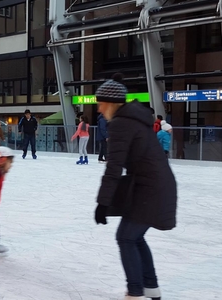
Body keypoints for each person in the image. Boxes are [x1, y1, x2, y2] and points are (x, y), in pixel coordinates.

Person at [94, 73, 177, 300]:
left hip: (150, 188)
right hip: (154, 185)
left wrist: (102, 202)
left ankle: (135, 292)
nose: (99, 109)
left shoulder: (121, 123)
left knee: (126, 237)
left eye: (100, 103)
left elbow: (114, 167)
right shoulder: (134, 119)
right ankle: (150, 287)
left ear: (111, 103)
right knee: (134, 237)